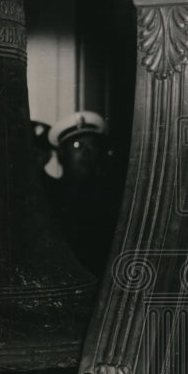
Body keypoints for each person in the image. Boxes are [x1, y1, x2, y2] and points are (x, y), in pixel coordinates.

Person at [47, 110, 120, 277]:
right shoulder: (49, 196)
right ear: (62, 154)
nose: (86, 153)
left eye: (92, 146)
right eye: (77, 146)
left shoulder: (112, 197)